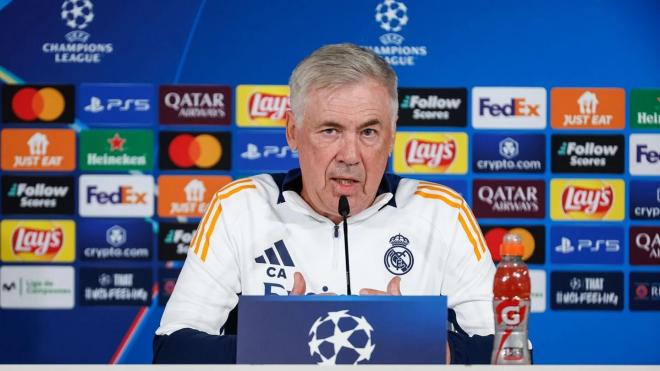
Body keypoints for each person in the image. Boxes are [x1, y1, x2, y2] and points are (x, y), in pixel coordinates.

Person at [153, 43, 496, 364]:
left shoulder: (441, 212)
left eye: (368, 132)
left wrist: (427, 346)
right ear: (292, 131)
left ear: (391, 136)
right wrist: (278, 343)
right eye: (330, 130)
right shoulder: (241, 206)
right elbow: (172, 349)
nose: (350, 155)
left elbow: (512, 352)